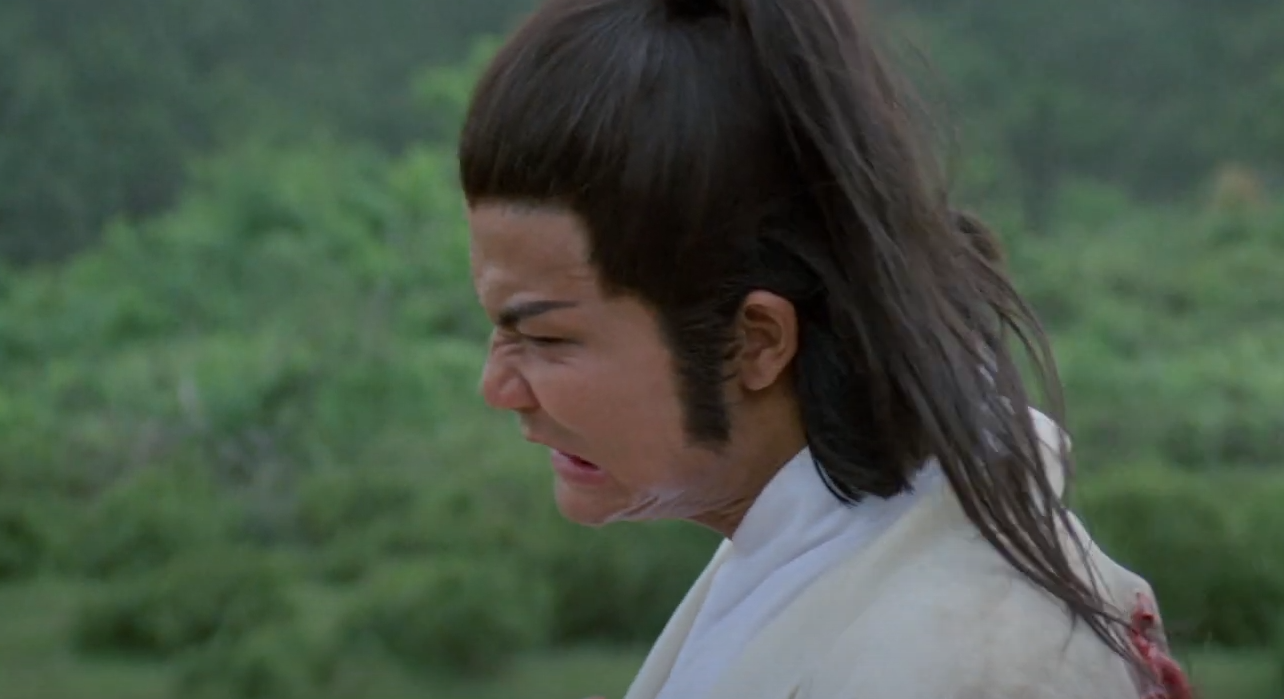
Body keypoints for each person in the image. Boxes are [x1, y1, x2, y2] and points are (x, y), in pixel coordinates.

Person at [458, 0, 1193, 697]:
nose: (498, 386)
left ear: (755, 341)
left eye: (546, 338)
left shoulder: (973, 665)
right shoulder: (807, 560)